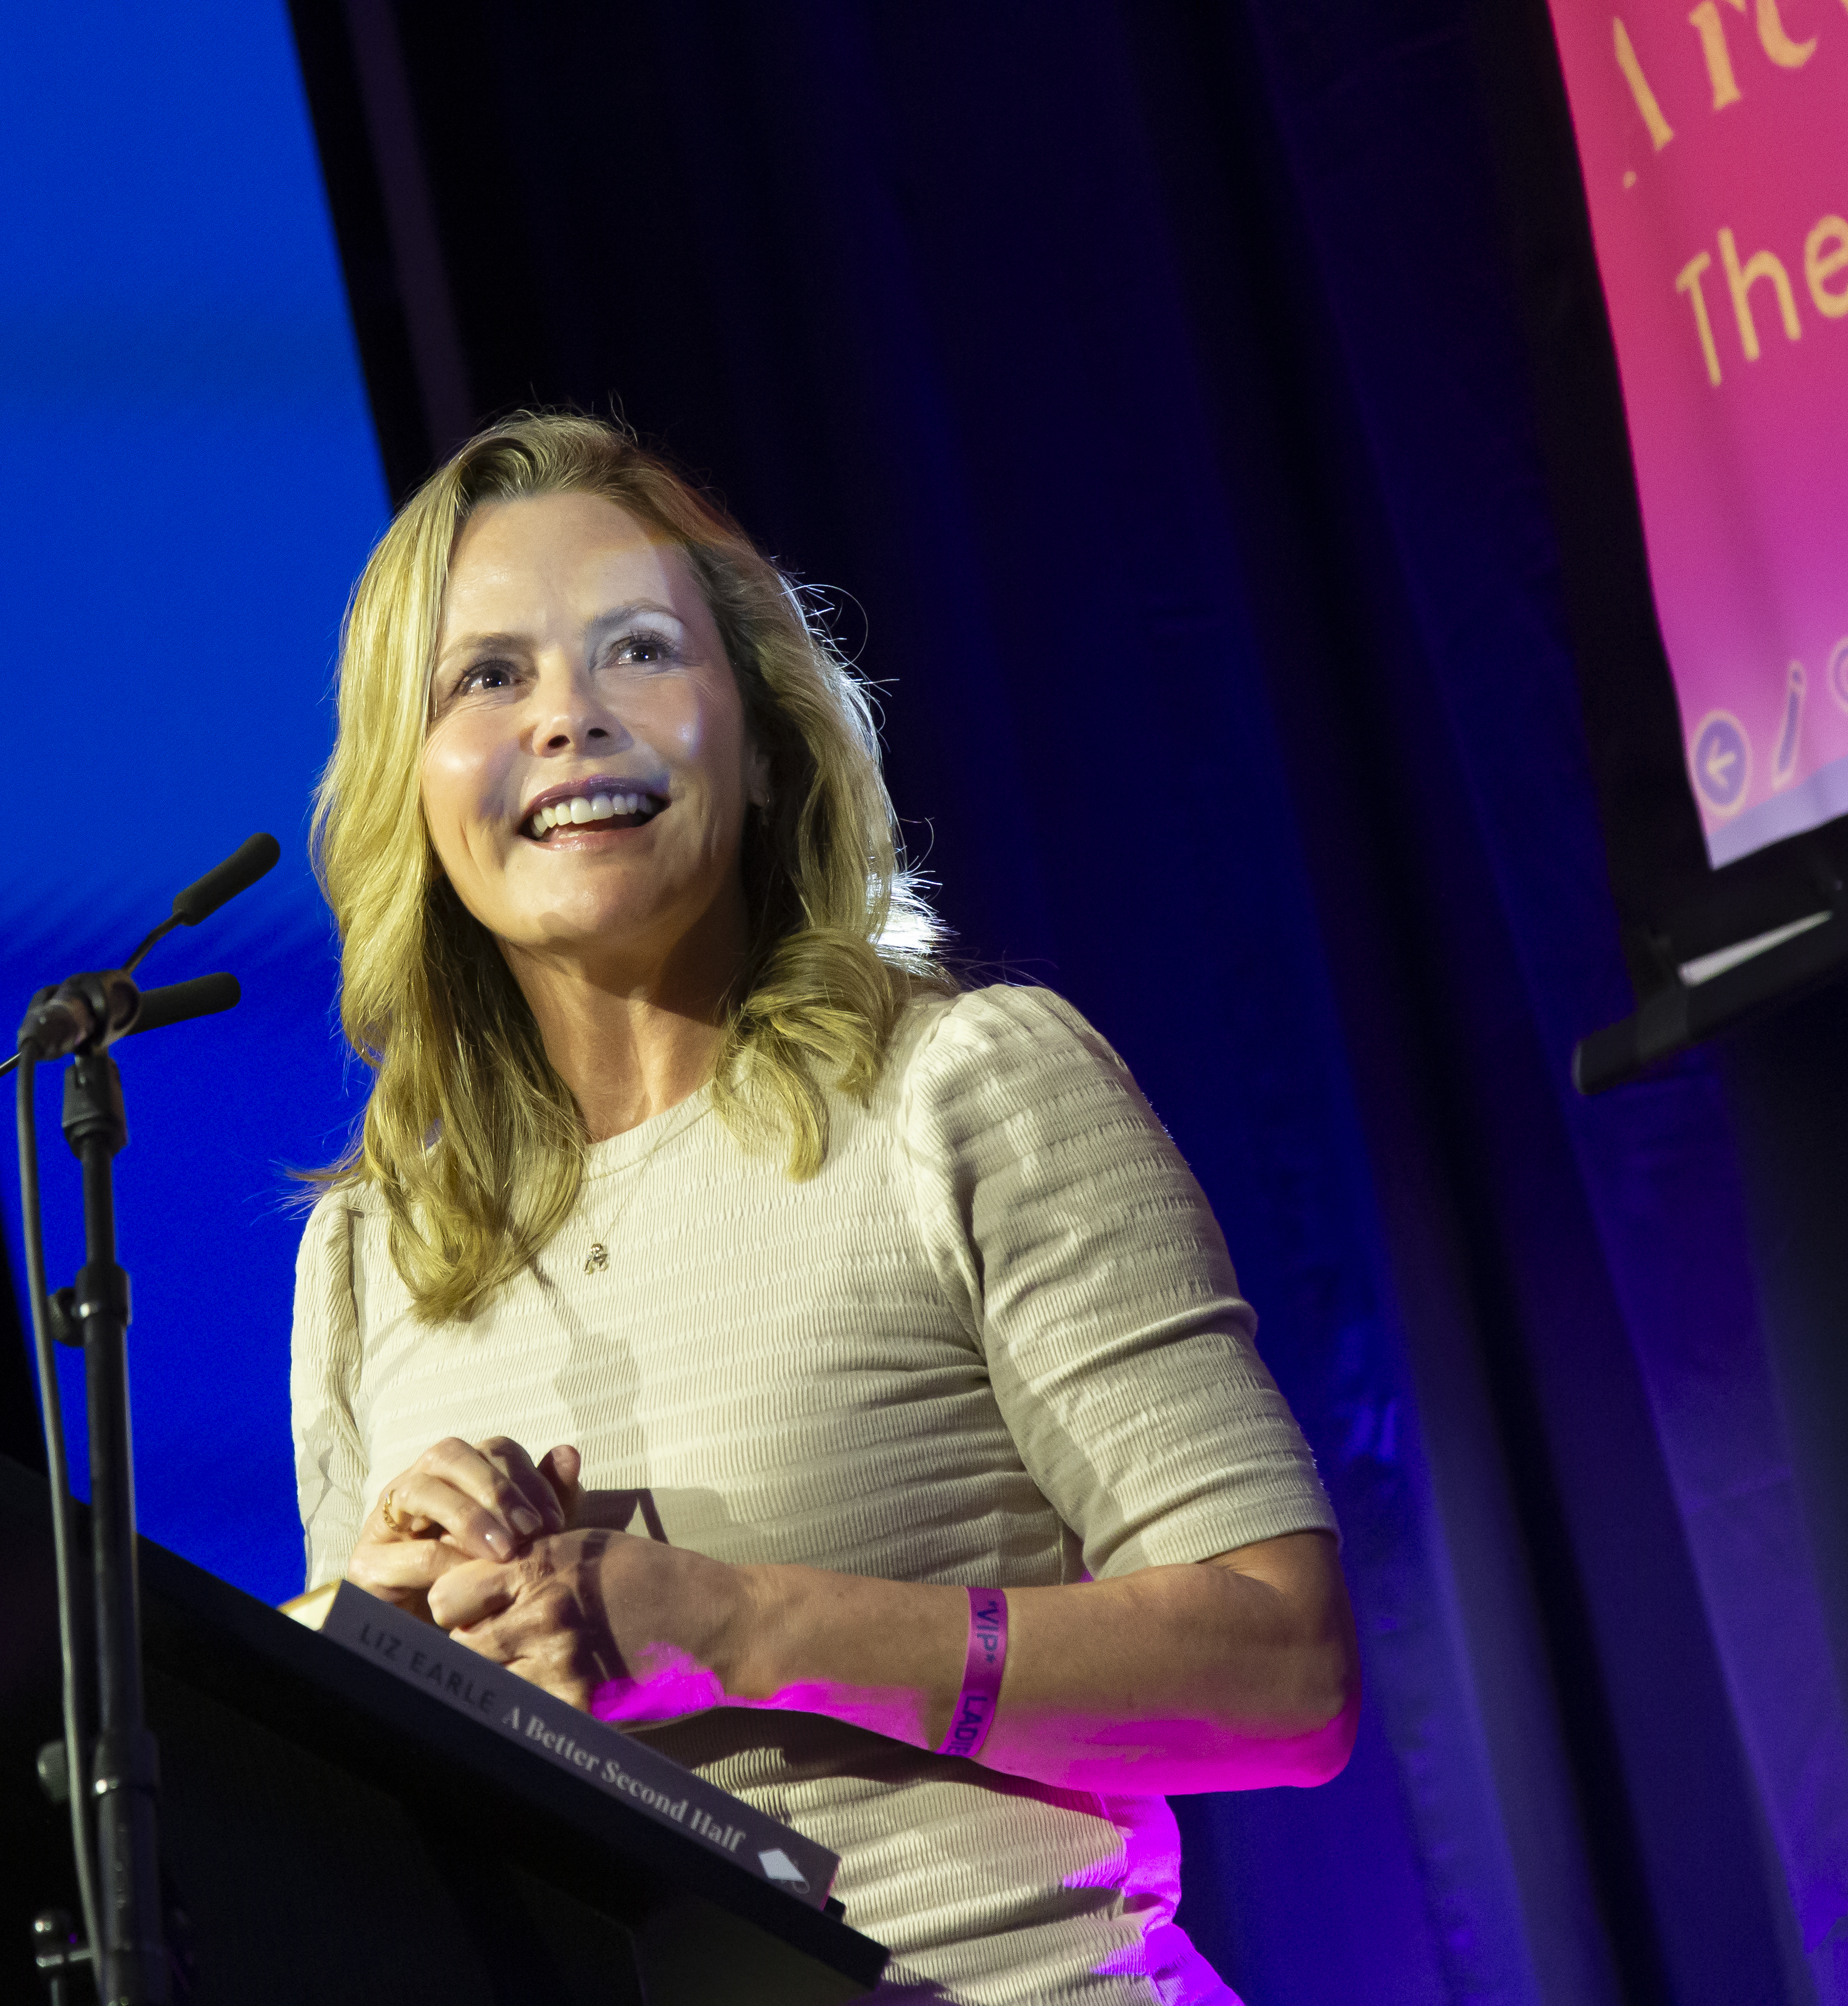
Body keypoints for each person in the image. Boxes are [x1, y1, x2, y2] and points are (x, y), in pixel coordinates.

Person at [289, 412, 1354, 2003]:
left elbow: (1289, 1669)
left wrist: (733, 1623)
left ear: (763, 732)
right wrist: (358, 1641)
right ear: (412, 789)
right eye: (487, 677)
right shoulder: (374, 1251)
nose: (569, 719)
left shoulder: (965, 1089)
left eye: (638, 651)